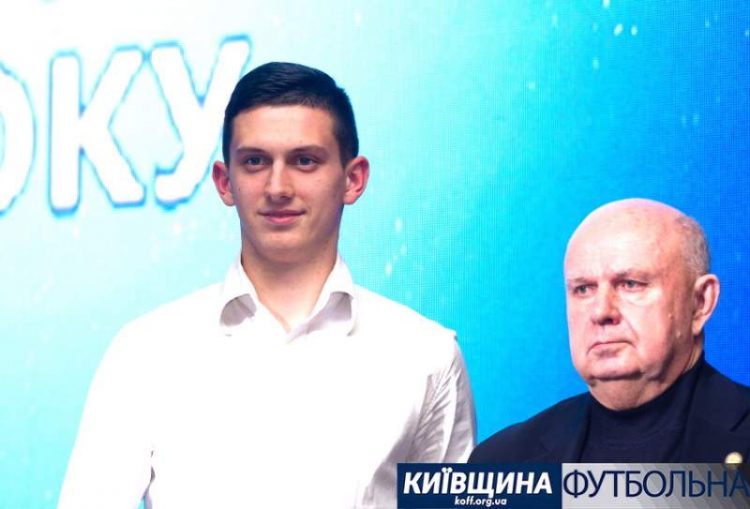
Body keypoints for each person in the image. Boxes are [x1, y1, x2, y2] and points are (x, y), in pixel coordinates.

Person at [58, 62, 475, 508]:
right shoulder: (146, 352)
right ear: (225, 182)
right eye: (255, 162)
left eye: (304, 161)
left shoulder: (425, 356)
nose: (277, 187)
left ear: (352, 180)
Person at [471, 198, 750, 464]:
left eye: (630, 284)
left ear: (700, 303)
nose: (601, 311)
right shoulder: (500, 462)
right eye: (583, 289)